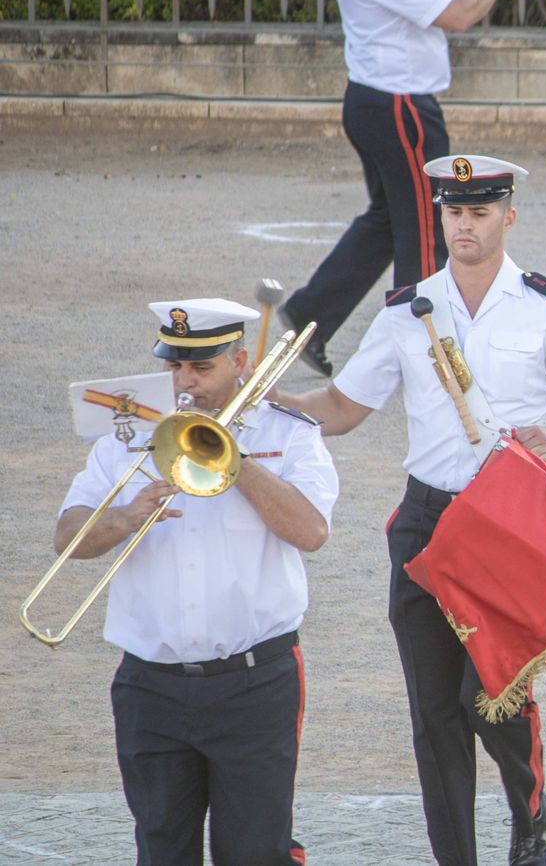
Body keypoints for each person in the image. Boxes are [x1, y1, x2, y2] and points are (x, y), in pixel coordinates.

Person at [272, 155, 546, 866]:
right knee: (434, 715)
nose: (466, 223)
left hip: (507, 522)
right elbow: (342, 407)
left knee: (486, 694)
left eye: (481, 211)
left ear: (508, 217)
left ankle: (532, 811)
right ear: (442, 217)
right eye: (455, 211)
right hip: (426, 522)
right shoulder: (406, 312)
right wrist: (265, 403)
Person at [55, 298, 337, 864]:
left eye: (201, 368)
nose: (184, 383)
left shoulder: (290, 434)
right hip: (149, 686)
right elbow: (67, 537)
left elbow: (310, 531)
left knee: (256, 852)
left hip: (254, 685)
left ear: (239, 362)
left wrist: (234, 458)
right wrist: (122, 518)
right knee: (161, 849)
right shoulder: (126, 437)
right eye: (173, 367)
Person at [282, 0, 523, 378]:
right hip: (400, 108)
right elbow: (457, 16)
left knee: (387, 224)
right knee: (424, 231)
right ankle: (424, 353)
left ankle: (309, 313)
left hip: (381, 101)